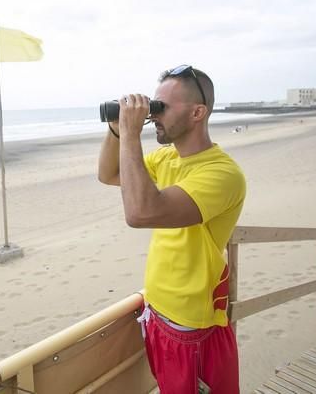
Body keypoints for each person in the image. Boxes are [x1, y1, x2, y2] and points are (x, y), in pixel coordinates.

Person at [98, 65, 246, 393]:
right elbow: (109, 174)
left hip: (193, 329)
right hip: (157, 313)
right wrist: (117, 130)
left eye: (161, 107)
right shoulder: (166, 160)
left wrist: (132, 134)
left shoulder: (221, 174)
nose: (152, 115)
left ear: (198, 112)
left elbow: (140, 213)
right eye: (154, 105)